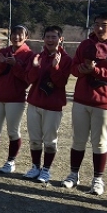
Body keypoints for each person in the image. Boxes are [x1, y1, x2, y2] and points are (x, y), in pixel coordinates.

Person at [62, 12, 107, 195]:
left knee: (100, 142)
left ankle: (97, 179)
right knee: (78, 139)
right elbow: (74, 68)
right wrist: (81, 69)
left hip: (105, 102)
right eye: (96, 24)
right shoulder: (85, 44)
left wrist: (95, 71)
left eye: (104, 25)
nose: (99, 28)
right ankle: (73, 174)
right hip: (81, 99)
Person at [0, 25, 34, 173]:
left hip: (16, 99)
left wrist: (15, 65)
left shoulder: (29, 55)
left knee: (13, 131)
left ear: (26, 37)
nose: (16, 37)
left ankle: (11, 161)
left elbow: (27, 78)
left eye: (20, 34)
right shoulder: (3, 52)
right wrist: (3, 63)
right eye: (14, 34)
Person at [21, 26, 72, 183]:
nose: (50, 40)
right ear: (43, 39)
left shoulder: (66, 59)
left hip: (53, 105)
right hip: (35, 102)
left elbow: (60, 82)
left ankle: (46, 170)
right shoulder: (37, 56)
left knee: (50, 140)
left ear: (60, 39)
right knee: (35, 139)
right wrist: (35, 67)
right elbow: (29, 79)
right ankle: (35, 167)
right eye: (47, 37)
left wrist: (55, 67)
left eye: (53, 37)